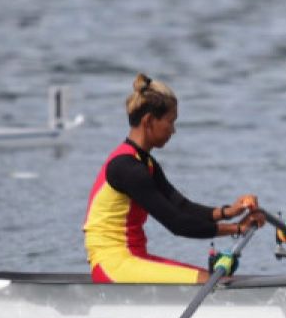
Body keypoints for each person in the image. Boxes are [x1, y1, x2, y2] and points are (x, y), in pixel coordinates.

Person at [83, 74, 264, 284]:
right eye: (170, 122)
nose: (174, 130)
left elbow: (181, 206)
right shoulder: (127, 168)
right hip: (113, 265)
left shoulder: (145, 163)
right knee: (214, 281)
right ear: (149, 121)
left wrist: (228, 212)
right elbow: (177, 224)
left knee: (221, 279)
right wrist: (237, 229)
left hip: (134, 259)